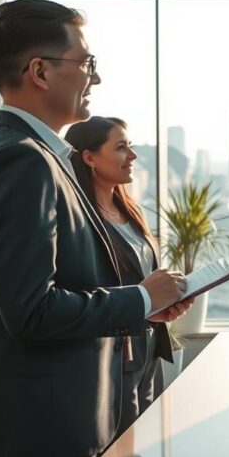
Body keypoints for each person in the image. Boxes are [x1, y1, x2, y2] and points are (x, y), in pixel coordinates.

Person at [0, 0, 192, 457]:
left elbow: (67, 286)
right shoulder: (20, 162)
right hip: (50, 429)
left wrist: (147, 309)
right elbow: (33, 311)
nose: (95, 79)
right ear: (39, 72)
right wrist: (141, 299)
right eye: (85, 64)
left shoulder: (40, 156)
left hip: (65, 421)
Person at [65, 116, 180, 437]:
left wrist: (165, 302)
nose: (132, 156)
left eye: (130, 146)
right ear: (89, 157)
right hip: (114, 357)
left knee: (146, 441)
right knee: (122, 451)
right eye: (121, 147)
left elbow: (141, 279)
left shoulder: (132, 212)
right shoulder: (82, 222)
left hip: (148, 348)